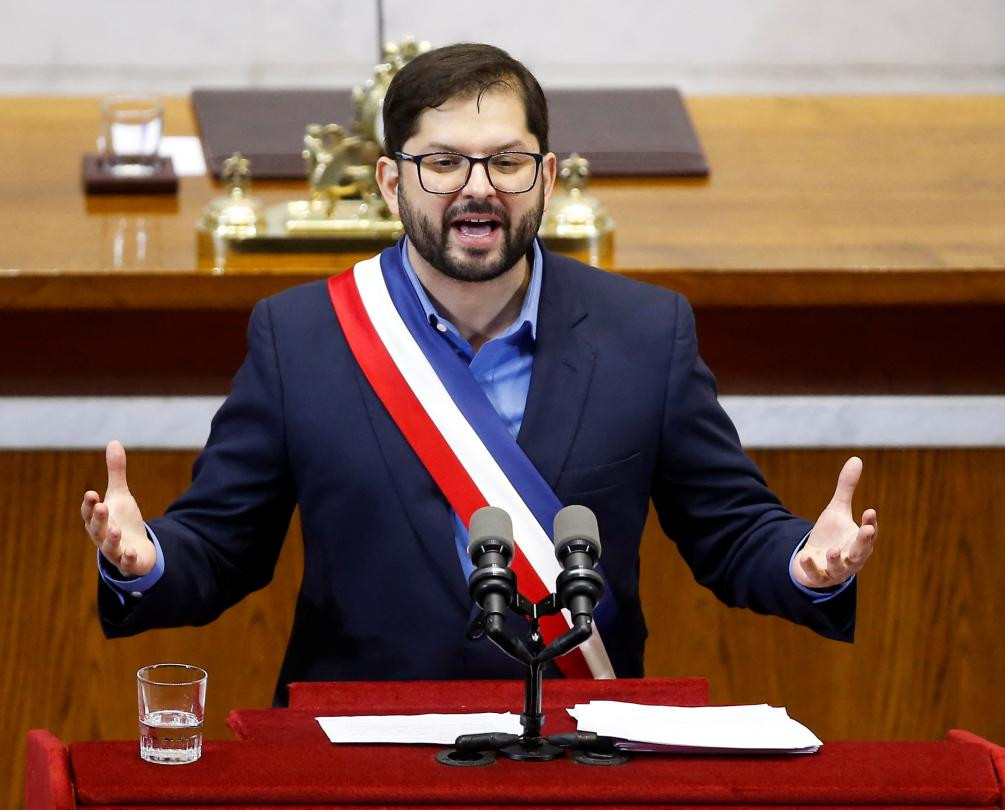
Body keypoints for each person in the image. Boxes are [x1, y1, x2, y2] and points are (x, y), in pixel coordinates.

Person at [81, 43, 877, 704]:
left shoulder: (644, 333)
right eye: (443, 163)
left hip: (577, 748)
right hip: (359, 752)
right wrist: (145, 557)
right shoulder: (303, 336)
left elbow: (732, 532)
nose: (477, 187)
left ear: (549, 176)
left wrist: (805, 564)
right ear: (392, 183)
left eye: (506, 161)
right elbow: (221, 549)